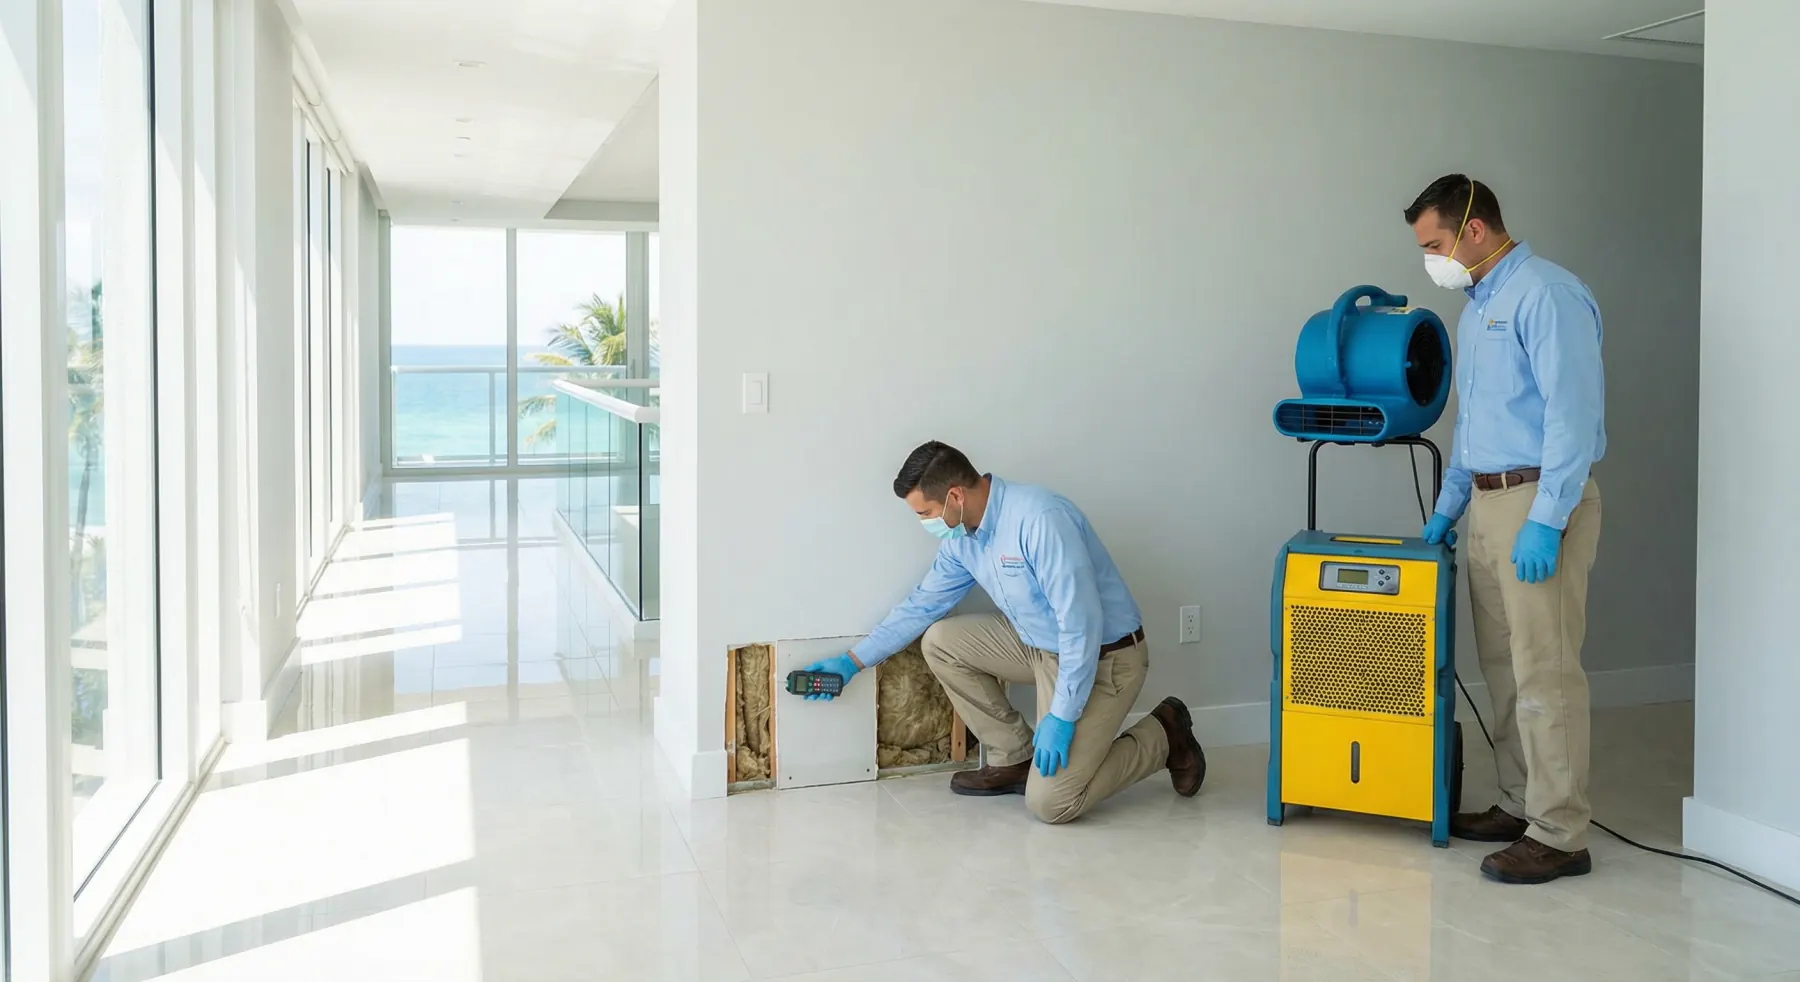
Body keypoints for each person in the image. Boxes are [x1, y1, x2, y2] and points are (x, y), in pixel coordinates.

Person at [800, 441, 1205, 824]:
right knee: (941, 642)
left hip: (1103, 658)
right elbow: (923, 604)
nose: (924, 523)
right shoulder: (963, 538)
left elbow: (1081, 625)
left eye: (925, 513)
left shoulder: (1040, 520)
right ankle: (1014, 757)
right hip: (1039, 647)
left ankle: (1165, 733)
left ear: (955, 497)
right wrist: (853, 662)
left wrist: (1062, 715)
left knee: (1052, 803)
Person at [1407, 174, 1606, 884]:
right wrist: (1447, 508)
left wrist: (1548, 520)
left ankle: (1560, 832)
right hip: (1489, 505)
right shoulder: (1475, 308)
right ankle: (1521, 803)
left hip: (1536, 502)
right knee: (1502, 668)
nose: (1431, 260)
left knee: (1544, 672)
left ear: (1474, 230)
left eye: (1435, 245)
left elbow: (1570, 418)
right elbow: (1472, 427)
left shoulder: (1546, 295)